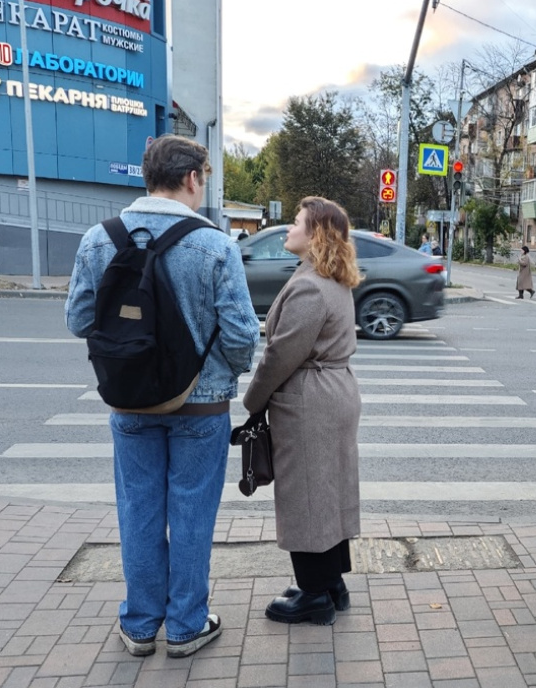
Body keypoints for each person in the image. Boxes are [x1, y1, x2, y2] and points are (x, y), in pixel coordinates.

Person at [65, 135, 259, 658]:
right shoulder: (216, 244)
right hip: (200, 405)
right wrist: (221, 374)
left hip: (128, 402)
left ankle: (140, 623)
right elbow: (242, 334)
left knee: (138, 510)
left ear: (147, 177)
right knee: (193, 513)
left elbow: (79, 319)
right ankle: (186, 626)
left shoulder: (97, 240)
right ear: (193, 177)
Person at [244, 196, 363, 626]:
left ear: (315, 233)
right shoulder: (329, 277)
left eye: (296, 222)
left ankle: (314, 596)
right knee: (327, 490)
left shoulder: (311, 285)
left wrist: (252, 402)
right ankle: (331, 583)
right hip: (332, 394)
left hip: (311, 401)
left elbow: (280, 356)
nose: (288, 228)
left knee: (307, 495)